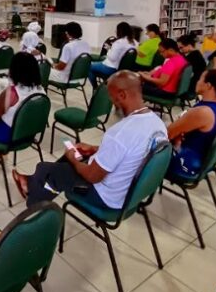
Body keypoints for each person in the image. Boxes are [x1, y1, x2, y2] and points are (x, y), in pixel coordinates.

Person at [11, 71, 167, 208]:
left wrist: (74, 161)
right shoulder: (158, 124)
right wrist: (95, 149)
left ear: (122, 95)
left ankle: (33, 208)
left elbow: (93, 176)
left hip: (105, 197)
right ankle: (32, 183)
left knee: (46, 169)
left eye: (111, 98)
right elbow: (134, 151)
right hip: (130, 193)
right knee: (67, 159)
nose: (112, 102)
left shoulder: (120, 133)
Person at [166, 70, 216, 176]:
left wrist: (176, 141)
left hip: (186, 163)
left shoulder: (204, 112)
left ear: (208, 86)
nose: (197, 81)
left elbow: (168, 134)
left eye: (200, 79)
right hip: (200, 159)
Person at [88, 21, 137, 86]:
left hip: (111, 68)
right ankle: (106, 83)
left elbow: (112, 58)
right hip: (126, 68)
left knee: (89, 67)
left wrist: (109, 50)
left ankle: (96, 88)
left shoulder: (118, 43)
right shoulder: (135, 42)